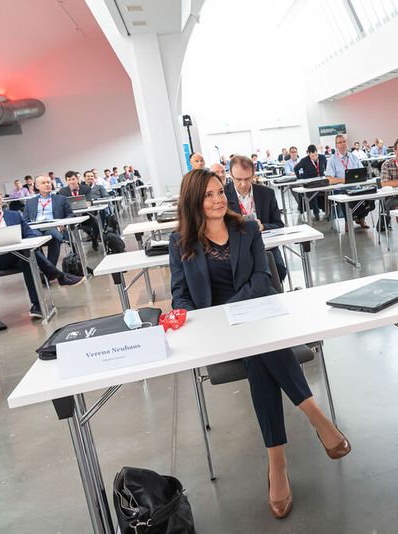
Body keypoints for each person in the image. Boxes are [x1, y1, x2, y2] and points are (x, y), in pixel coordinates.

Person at [169, 169, 349, 519]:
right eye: (208, 195)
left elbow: (263, 280)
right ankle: (315, 415)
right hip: (218, 332)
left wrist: (236, 313)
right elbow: (181, 296)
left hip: (258, 316)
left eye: (220, 192)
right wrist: (212, 319)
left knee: (258, 352)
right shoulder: (180, 244)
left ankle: (277, 464)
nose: (218, 199)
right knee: (261, 350)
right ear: (192, 200)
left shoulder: (247, 228)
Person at [0, 184, 83, 319]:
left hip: (16, 256)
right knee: (26, 256)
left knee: (27, 258)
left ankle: (37, 305)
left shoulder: (13, 215)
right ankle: (58, 276)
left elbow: (30, 234)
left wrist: (21, 242)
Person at [224, 155, 287, 281]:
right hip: (236, 247)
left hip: (266, 246)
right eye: (238, 179)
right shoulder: (223, 195)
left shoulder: (266, 193)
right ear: (230, 175)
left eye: (247, 179)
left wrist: (262, 226)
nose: (243, 184)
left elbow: (278, 224)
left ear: (253, 174)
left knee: (278, 269)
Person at [24, 175, 75, 267]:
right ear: (36, 186)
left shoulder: (61, 199)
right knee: (33, 239)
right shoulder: (30, 202)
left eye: (48, 182)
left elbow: (70, 214)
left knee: (54, 236)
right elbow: (25, 220)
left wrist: (63, 223)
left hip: (53, 227)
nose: (47, 184)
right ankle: (48, 268)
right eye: (43, 183)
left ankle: (49, 268)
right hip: (36, 228)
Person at [325, 134, 374, 228]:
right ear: (336, 145)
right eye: (340, 142)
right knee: (346, 198)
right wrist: (344, 180)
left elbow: (362, 172)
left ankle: (360, 217)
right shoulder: (332, 160)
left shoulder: (353, 157)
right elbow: (329, 179)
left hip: (356, 187)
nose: (342, 144)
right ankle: (349, 221)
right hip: (341, 188)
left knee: (370, 199)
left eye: (344, 141)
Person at [59, 171, 100, 251]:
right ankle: (74, 248)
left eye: (73, 179)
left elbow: (88, 201)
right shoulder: (62, 191)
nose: (72, 181)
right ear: (66, 181)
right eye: (69, 180)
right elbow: (62, 206)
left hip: (85, 214)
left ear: (77, 179)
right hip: (71, 216)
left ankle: (94, 240)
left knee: (95, 223)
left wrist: (86, 204)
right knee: (64, 229)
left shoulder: (85, 188)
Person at [293, 145, 327, 220]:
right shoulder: (304, 160)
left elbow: (327, 167)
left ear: (317, 152)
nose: (314, 157)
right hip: (310, 182)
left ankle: (327, 211)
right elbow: (296, 168)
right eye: (312, 156)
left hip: (321, 180)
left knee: (328, 191)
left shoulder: (322, 157)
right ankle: (316, 213)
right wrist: (299, 179)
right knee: (312, 193)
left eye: (316, 155)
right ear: (308, 153)